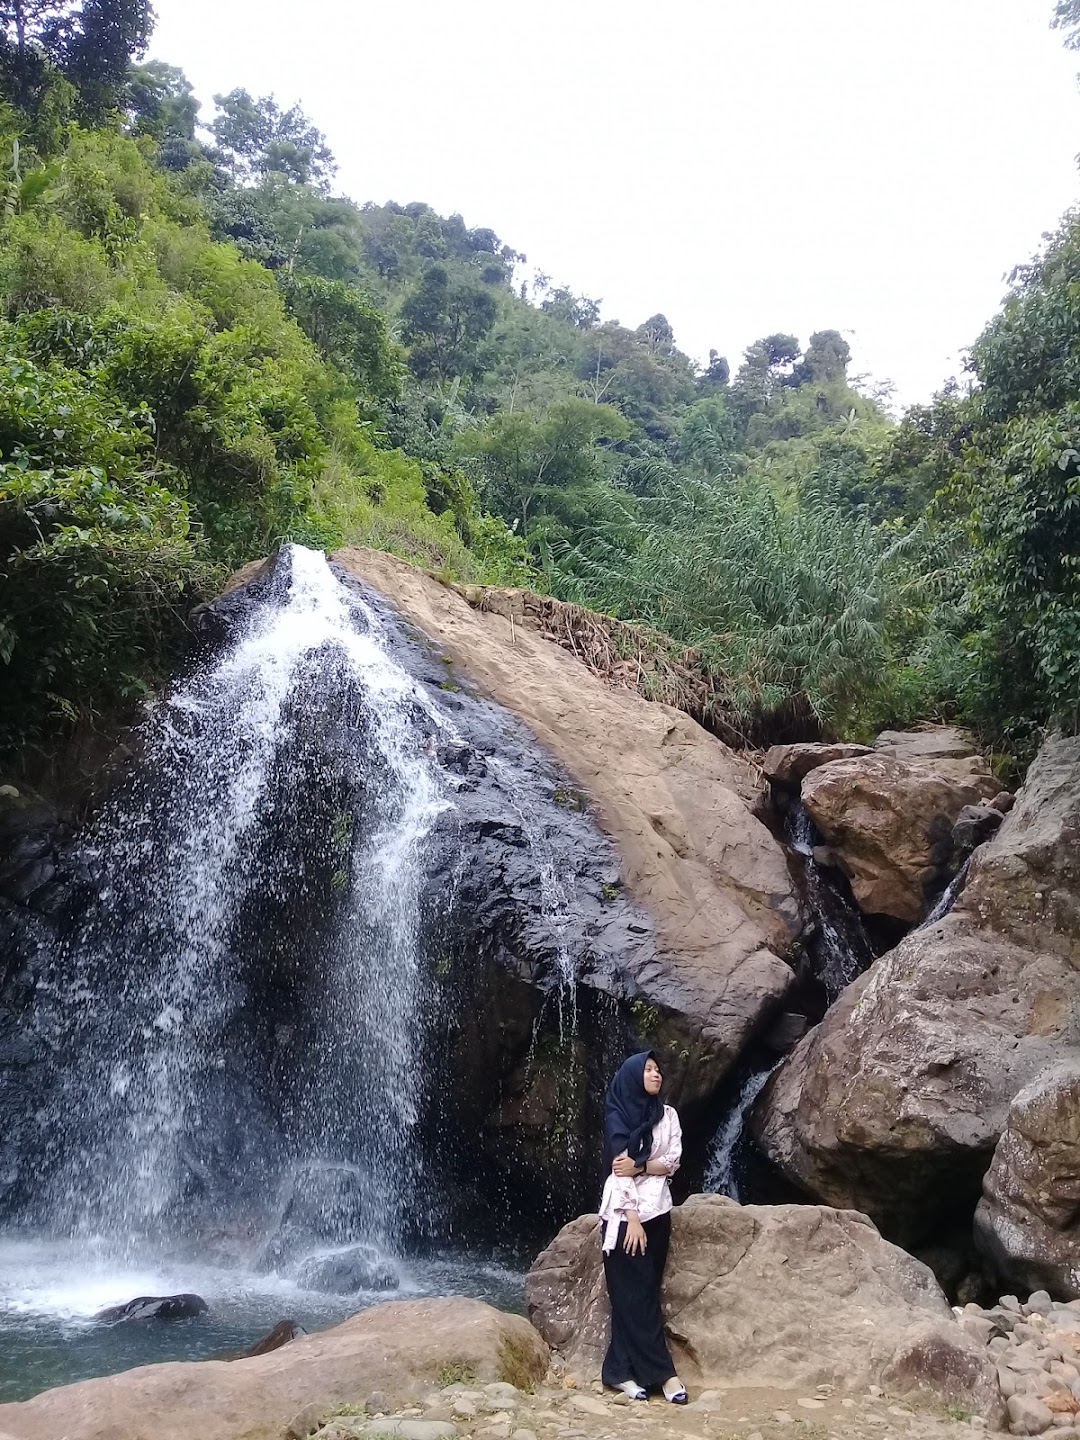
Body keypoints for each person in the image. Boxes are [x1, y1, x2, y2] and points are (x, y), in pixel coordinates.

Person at [597, 1050, 687, 1404]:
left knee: (642, 1293)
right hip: (623, 1217)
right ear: (634, 1076)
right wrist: (631, 1217)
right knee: (636, 1297)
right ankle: (665, 1375)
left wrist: (642, 1166)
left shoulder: (667, 1116)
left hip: (659, 1212)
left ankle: (618, 1372)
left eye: (658, 1069)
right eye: (648, 1069)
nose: (655, 1074)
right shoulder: (617, 1116)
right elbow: (618, 1171)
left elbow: (673, 1160)